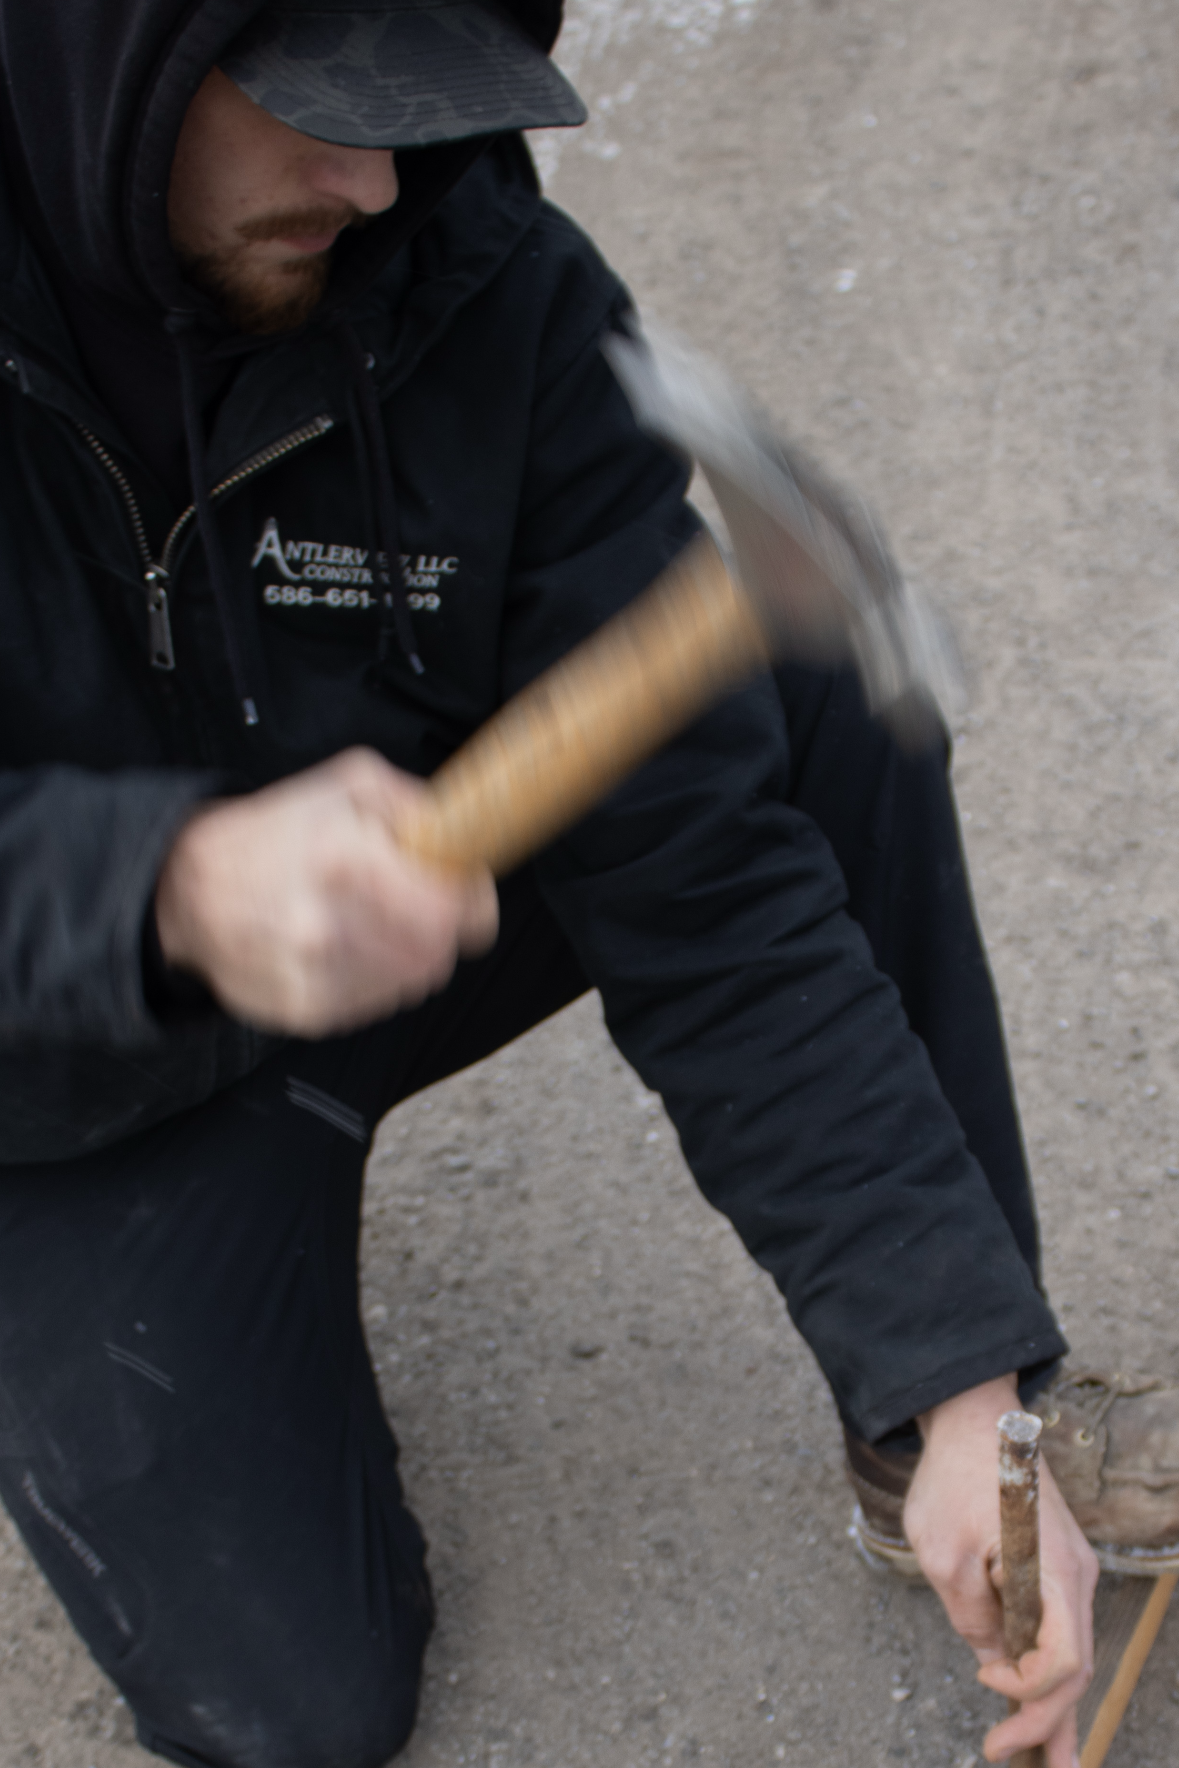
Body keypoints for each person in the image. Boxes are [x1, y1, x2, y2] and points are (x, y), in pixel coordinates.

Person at [0, 4, 1172, 1766]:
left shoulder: (484, 284)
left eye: (411, 111)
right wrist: (153, 890)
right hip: (66, 1059)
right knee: (295, 1715)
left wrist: (955, 1384)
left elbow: (714, 896)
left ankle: (928, 1447)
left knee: (796, 698)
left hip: (399, 908)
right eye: (313, 109)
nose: (373, 177)